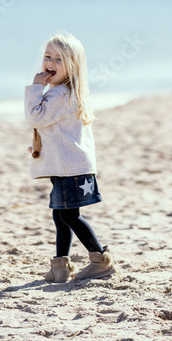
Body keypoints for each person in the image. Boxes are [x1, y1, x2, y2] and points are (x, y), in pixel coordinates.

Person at [25, 33, 116, 283]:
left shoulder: (59, 94)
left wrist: (35, 87)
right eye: (47, 56)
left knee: (68, 215)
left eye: (59, 59)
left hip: (69, 167)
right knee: (60, 213)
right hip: (68, 165)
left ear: (72, 66)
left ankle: (100, 260)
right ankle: (60, 267)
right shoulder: (67, 92)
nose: (50, 62)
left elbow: (35, 117)